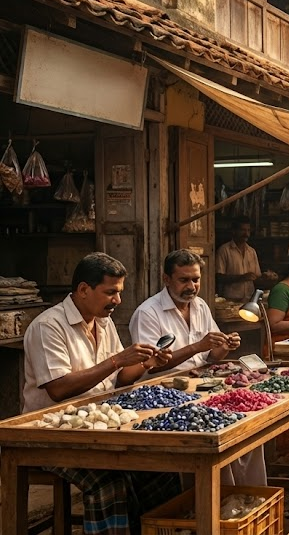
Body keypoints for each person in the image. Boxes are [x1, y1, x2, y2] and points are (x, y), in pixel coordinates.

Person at [23, 252, 180, 535]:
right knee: (108, 481)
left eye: (118, 292)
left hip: (100, 426)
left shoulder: (103, 323)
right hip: (50, 434)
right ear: (84, 289)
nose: (117, 301)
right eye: (110, 292)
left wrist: (148, 363)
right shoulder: (48, 326)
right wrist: (117, 360)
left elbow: (119, 378)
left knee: (161, 468)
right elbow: (59, 389)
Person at [130, 250, 265, 487]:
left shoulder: (200, 306)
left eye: (196, 279)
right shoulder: (148, 313)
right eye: (184, 280)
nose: (191, 286)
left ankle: (247, 498)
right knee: (214, 439)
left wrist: (225, 346)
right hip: (165, 393)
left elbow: (211, 356)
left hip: (201, 387)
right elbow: (152, 366)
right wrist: (196, 347)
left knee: (248, 432)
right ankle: (212, 503)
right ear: (166, 279)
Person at [215, 216, 261, 301]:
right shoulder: (224, 250)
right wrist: (242, 277)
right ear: (234, 231)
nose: (246, 233)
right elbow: (219, 277)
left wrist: (266, 278)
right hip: (230, 299)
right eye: (242, 230)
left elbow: (257, 276)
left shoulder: (252, 252)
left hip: (249, 298)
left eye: (248, 230)